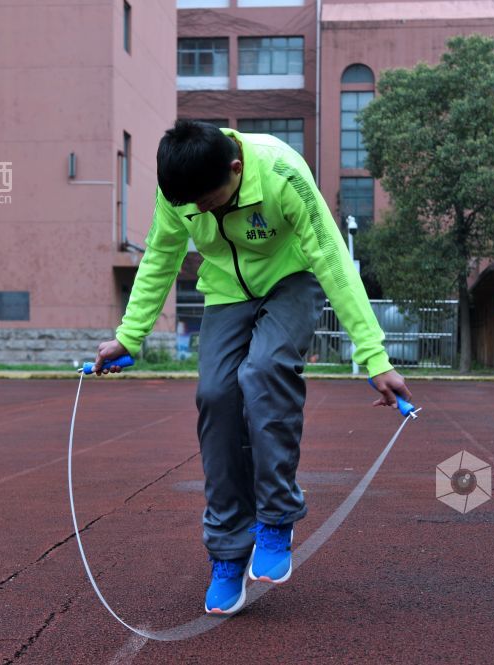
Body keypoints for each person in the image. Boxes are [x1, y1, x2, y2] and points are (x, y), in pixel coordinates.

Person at [93, 120, 411, 615]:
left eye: (209, 200)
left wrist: (373, 356)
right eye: (190, 205)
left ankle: (277, 516)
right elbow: (161, 255)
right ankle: (226, 552)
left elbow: (333, 260)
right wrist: (129, 335)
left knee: (261, 375)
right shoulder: (181, 191)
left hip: (291, 280)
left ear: (237, 169)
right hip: (226, 293)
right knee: (216, 395)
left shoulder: (283, 174)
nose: (200, 211)